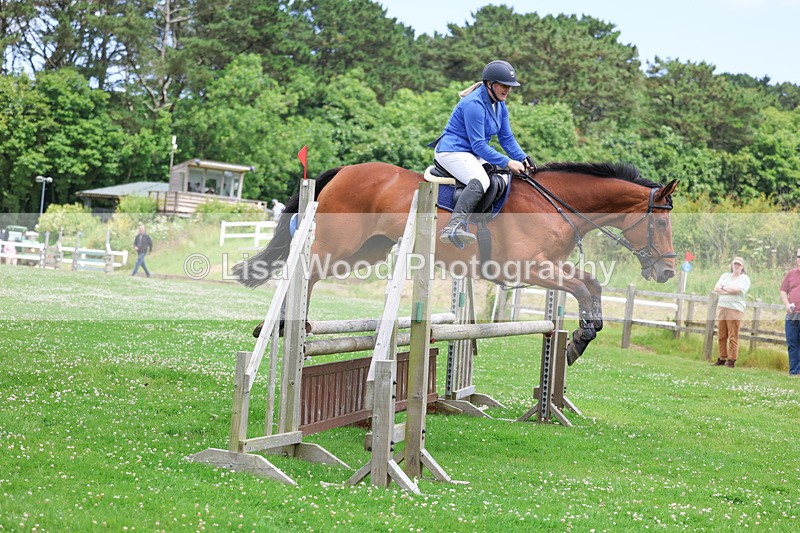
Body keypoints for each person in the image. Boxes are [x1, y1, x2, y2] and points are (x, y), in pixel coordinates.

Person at [429, 59, 535, 247]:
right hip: (452, 151)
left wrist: (522, 157)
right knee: (482, 180)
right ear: (489, 84)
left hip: (470, 152)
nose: (507, 90)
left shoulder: (499, 104)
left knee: (500, 177)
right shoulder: (474, 104)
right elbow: (478, 145)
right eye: (503, 85)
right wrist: (507, 162)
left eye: (510, 86)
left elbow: (506, 138)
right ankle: (454, 226)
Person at [712, 257, 751, 368]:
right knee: (721, 334)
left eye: (739, 265)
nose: (736, 266)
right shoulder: (725, 276)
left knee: (733, 335)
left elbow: (736, 290)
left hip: (735, 309)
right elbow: (716, 288)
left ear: (742, 267)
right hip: (722, 307)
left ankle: (732, 359)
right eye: (735, 264)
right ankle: (722, 357)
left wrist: (723, 288)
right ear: (732, 265)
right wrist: (727, 288)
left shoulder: (744, 279)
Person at [780, 248, 800, 375]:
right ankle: (794, 371)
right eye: (799, 256)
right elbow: (783, 291)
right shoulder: (791, 274)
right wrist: (787, 304)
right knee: (792, 343)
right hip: (792, 314)